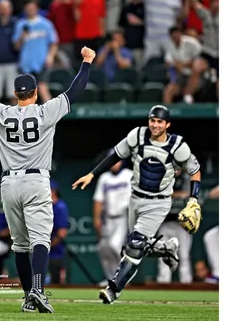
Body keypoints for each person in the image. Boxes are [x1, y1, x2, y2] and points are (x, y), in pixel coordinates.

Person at [0, 39, 96, 313]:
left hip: (9, 184)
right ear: (33, 92)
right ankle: (38, 291)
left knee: (19, 244)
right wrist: (87, 62)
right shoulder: (45, 111)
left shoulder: (2, 113)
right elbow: (75, 90)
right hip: (36, 181)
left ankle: (28, 298)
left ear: (15, 93)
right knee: (40, 238)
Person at [72, 105, 202, 304]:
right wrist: (92, 174)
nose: (155, 124)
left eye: (160, 121)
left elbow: (195, 170)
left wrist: (193, 198)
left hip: (158, 203)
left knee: (135, 245)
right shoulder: (138, 136)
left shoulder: (177, 146)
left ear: (167, 124)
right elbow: (115, 155)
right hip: (135, 198)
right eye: (152, 120)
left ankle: (113, 289)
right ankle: (166, 248)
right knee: (132, 247)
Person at [92, 158, 132, 286]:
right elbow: (98, 200)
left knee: (115, 246)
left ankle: (122, 278)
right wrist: (97, 218)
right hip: (107, 218)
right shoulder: (104, 178)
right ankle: (111, 279)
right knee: (103, 248)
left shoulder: (129, 175)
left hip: (123, 217)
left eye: (116, 161)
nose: (114, 164)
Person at [12, 0, 58, 104]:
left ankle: (51, 116)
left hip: (42, 62)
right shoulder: (20, 25)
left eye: (32, 6)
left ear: (37, 7)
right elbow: (16, 47)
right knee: (24, 91)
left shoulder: (46, 24)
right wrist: (22, 37)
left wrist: (50, 56)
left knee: (42, 87)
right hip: (26, 63)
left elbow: (54, 43)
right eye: (28, 7)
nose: (30, 9)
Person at [163, 26, 202, 104]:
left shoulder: (191, 42)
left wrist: (185, 64)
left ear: (181, 34)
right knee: (168, 91)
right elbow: (168, 62)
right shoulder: (170, 46)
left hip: (197, 75)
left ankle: (188, 98)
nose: (176, 37)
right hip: (181, 76)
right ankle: (166, 114)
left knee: (189, 89)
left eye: (177, 34)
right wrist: (177, 64)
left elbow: (202, 58)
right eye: (173, 36)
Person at [49, 180, 69, 285]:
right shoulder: (45, 207)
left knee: (55, 284)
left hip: (56, 253)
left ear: (54, 191)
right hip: (44, 252)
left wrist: (48, 246)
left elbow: (62, 233)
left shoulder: (60, 207)